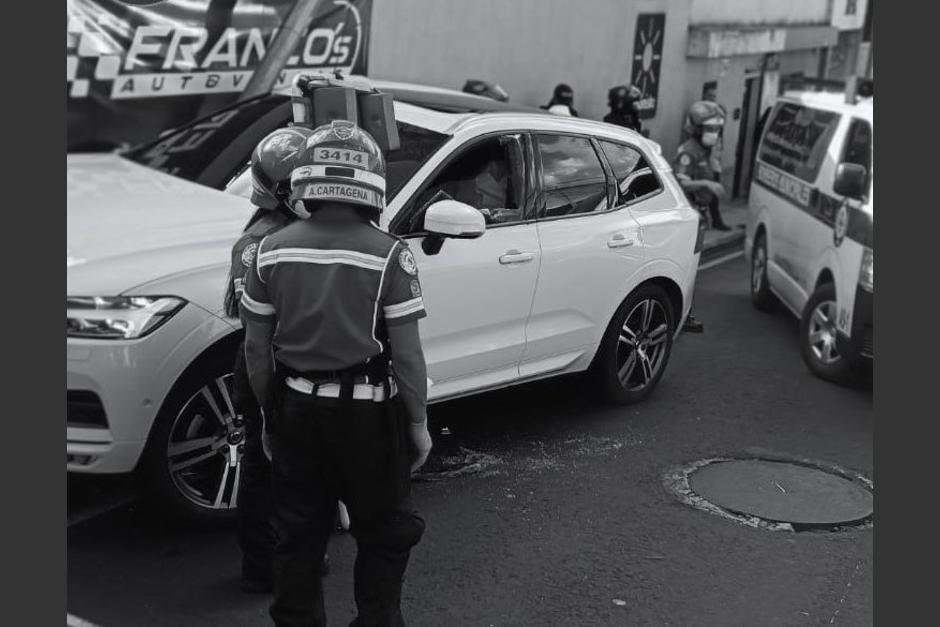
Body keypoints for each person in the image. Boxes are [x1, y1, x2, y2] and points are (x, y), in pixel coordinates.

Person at [241, 119, 433, 627]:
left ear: (306, 179)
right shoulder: (391, 254)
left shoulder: (267, 250)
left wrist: (270, 417)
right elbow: (408, 357)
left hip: (296, 410)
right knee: (384, 533)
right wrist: (417, 424)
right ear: (372, 183)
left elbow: (256, 350)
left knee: (297, 535)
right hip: (368, 420)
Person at [223, 125, 334, 594]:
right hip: (270, 360)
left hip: (291, 359)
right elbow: (254, 327)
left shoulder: (291, 230)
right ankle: (265, 566)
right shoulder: (260, 243)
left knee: (295, 464)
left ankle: (292, 553)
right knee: (268, 464)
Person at [674, 100, 732, 232]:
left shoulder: (706, 150)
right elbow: (680, 183)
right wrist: (707, 184)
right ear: (698, 129)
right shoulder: (688, 152)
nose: (714, 134)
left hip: (700, 213)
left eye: (717, 129)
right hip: (688, 214)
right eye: (710, 129)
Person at [701, 84, 728, 182]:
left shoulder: (718, 109)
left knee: (715, 168)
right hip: (702, 145)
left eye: (714, 96)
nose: (712, 98)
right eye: (710, 96)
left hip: (716, 144)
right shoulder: (699, 109)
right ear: (704, 95)